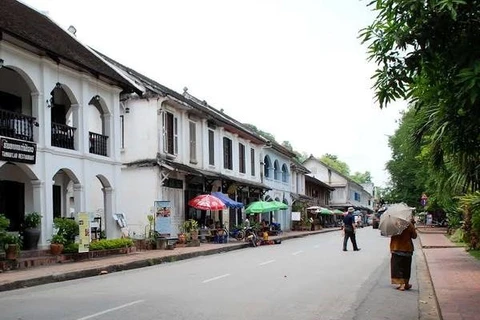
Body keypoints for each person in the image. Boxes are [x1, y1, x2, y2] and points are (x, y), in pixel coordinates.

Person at [390, 218, 417, 291]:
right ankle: (406, 283)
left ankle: (401, 284)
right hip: (407, 248)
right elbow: (414, 236)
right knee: (406, 267)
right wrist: (413, 225)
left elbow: (389, 233)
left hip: (396, 248)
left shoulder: (394, 224)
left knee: (397, 267)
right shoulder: (409, 224)